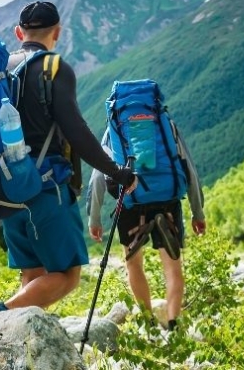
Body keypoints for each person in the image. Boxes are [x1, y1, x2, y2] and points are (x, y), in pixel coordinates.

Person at [0, 1, 137, 323]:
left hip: (6, 188)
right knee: (66, 275)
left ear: (19, 32)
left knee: (33, 275)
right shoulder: (53, 68)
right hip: (46, 188)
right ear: (57, 32)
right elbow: (75, 130)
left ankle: (18, 343)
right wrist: (116, 172)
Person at [87, 128, 206, 331]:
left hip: (131, 199)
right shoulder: (165, 122)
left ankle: (149, 322)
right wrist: (198, 212)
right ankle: (173, 325)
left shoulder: (114, 125)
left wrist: (94, 218)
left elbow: (98, 175)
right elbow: (189, 167)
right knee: (173, 268)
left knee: (134, 264)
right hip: (167, 199)